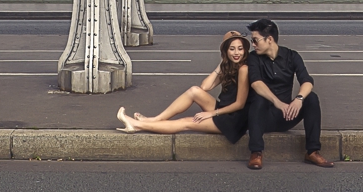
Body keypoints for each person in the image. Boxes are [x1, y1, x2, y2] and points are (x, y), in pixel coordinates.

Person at [115, 30, 252, 140]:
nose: (236, 53)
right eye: (232, 49)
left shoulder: (243, 69)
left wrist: (212, 113)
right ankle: (155, 120)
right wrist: (221, 64)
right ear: (226, 52)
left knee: (187, 122)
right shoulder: (229, 66)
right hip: (225, 110)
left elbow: (240, 104)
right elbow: (205, 87)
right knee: (194, 91)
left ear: (245, 50)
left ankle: (137, 125)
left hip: (234, 120)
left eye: (240, 49)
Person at [242, 17, 333, 169]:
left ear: (269, 39)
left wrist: (298, 99)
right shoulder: (254, 58)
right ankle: (256, 153)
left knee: (311, 98)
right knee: (259, 99)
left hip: (286, 115)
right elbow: (256, 83)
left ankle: (312, 151)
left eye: (256, 40)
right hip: (262, 117)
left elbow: (307, 81)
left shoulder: (292, 56)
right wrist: (278, 103)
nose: (253, 44)